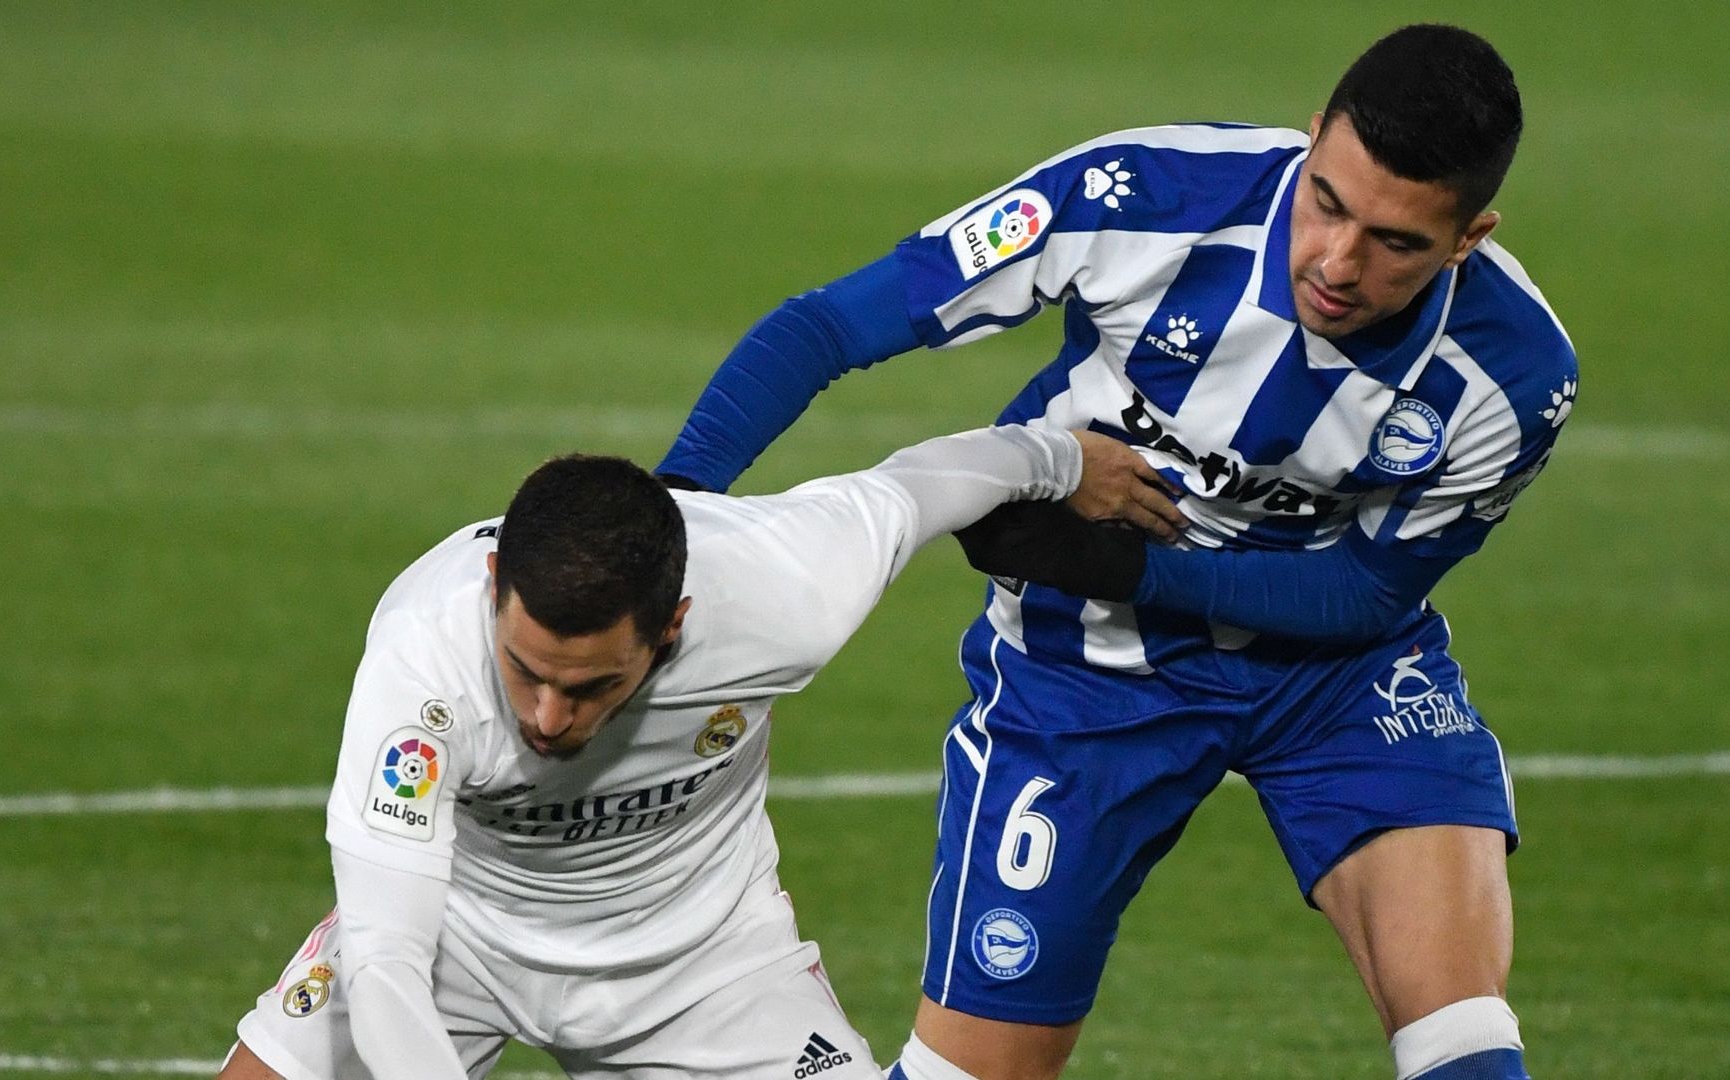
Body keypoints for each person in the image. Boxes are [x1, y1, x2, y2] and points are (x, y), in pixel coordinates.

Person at [655, 24, 1573, 1080]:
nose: (1338, 261)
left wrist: (1131, 566)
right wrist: (674, 517)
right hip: (1086, 671)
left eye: (1398, 243)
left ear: (1470, 237)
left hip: (1333, 678)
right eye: (1326, 201)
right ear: (1312, 137)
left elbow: (1366, 593)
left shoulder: (1514, 379)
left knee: (1464, 1038)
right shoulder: (1141, 196)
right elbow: (827, 329)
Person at [215, 422, 1181, 1080]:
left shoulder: (783, 588)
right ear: (494, 581)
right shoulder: (422, 661)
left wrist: (1060, 458)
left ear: (672, 627)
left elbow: (921, 486)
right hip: (457, 938)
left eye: (592, 685)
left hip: (703, 964)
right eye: (526, 671)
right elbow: (385, 957)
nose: (548, 717)